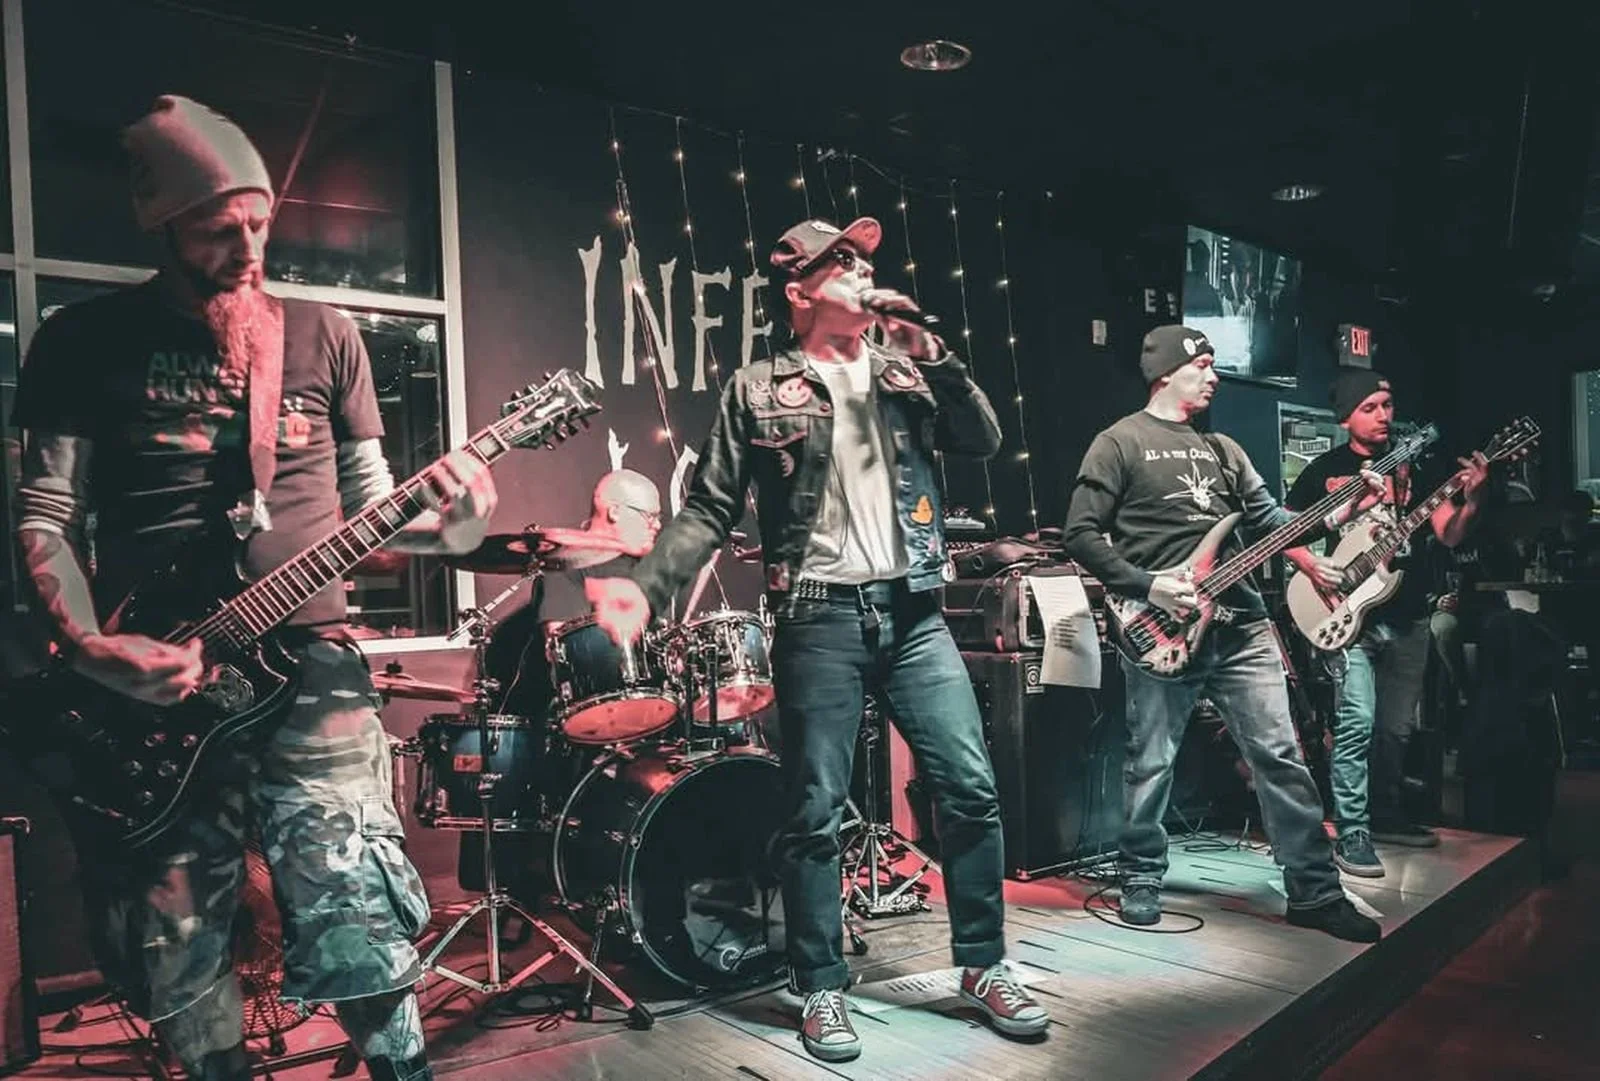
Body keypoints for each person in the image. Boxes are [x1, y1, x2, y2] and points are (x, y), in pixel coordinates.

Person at [10, 96, 497, 1081]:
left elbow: (378, 513)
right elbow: (46, 515)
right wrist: (92, 646)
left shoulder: (322, 334)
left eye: (259, 223)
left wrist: (458, 524)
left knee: (357, 907)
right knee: (178, 936)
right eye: (216, 229)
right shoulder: (81, 339)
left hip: (312, 672)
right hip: (156, 687)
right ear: (161, 225)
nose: (246, 248)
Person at [587, 217, 1048, 1062]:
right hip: (818, 617)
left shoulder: (906, 370)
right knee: (812, 811)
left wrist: (936, 354)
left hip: (915, 613)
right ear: (799, 291)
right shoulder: (759, 388)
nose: (862, 271)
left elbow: (982, 438)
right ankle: (819, 982)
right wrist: (646, 587)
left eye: (865, 260)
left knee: (971, 788)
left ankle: (983, 964)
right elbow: (710, 507)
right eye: (842, 262)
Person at [1063, 324, 1380, 942]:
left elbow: (1272, 523)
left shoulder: (1225, 450)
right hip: (1161, 627)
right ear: (1166, 372)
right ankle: (1141, 876)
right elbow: (1080, 533)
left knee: (1281, 756)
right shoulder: (1119, 442)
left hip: (1241, 625)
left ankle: (1314, 891)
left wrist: (1342, 512)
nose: (1213, 376)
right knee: (1151, 762)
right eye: (1203, 365)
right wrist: (1148, 586)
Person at [1283, 369, 1487, 877]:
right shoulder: (1324, 470)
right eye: (1369, 407)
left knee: (1396, 728)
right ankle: (1352, 828)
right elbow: (1283, 531)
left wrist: (1474, 500)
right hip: (1348, 614)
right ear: (1345, 417)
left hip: (1408, 613)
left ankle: (1386, 813)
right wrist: (1314, 566)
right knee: (1356, 722)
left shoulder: (1418, 466)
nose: (1382, 416)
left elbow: (1449, 534)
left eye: (1387, 405)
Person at [481, 468, 662, 718]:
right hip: (596, 712)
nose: (657, 525)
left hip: (650, 703)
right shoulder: (566, 563)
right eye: (649, 516)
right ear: (615, 511)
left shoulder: (645, 569)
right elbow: (568, 650)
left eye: (659, 517)